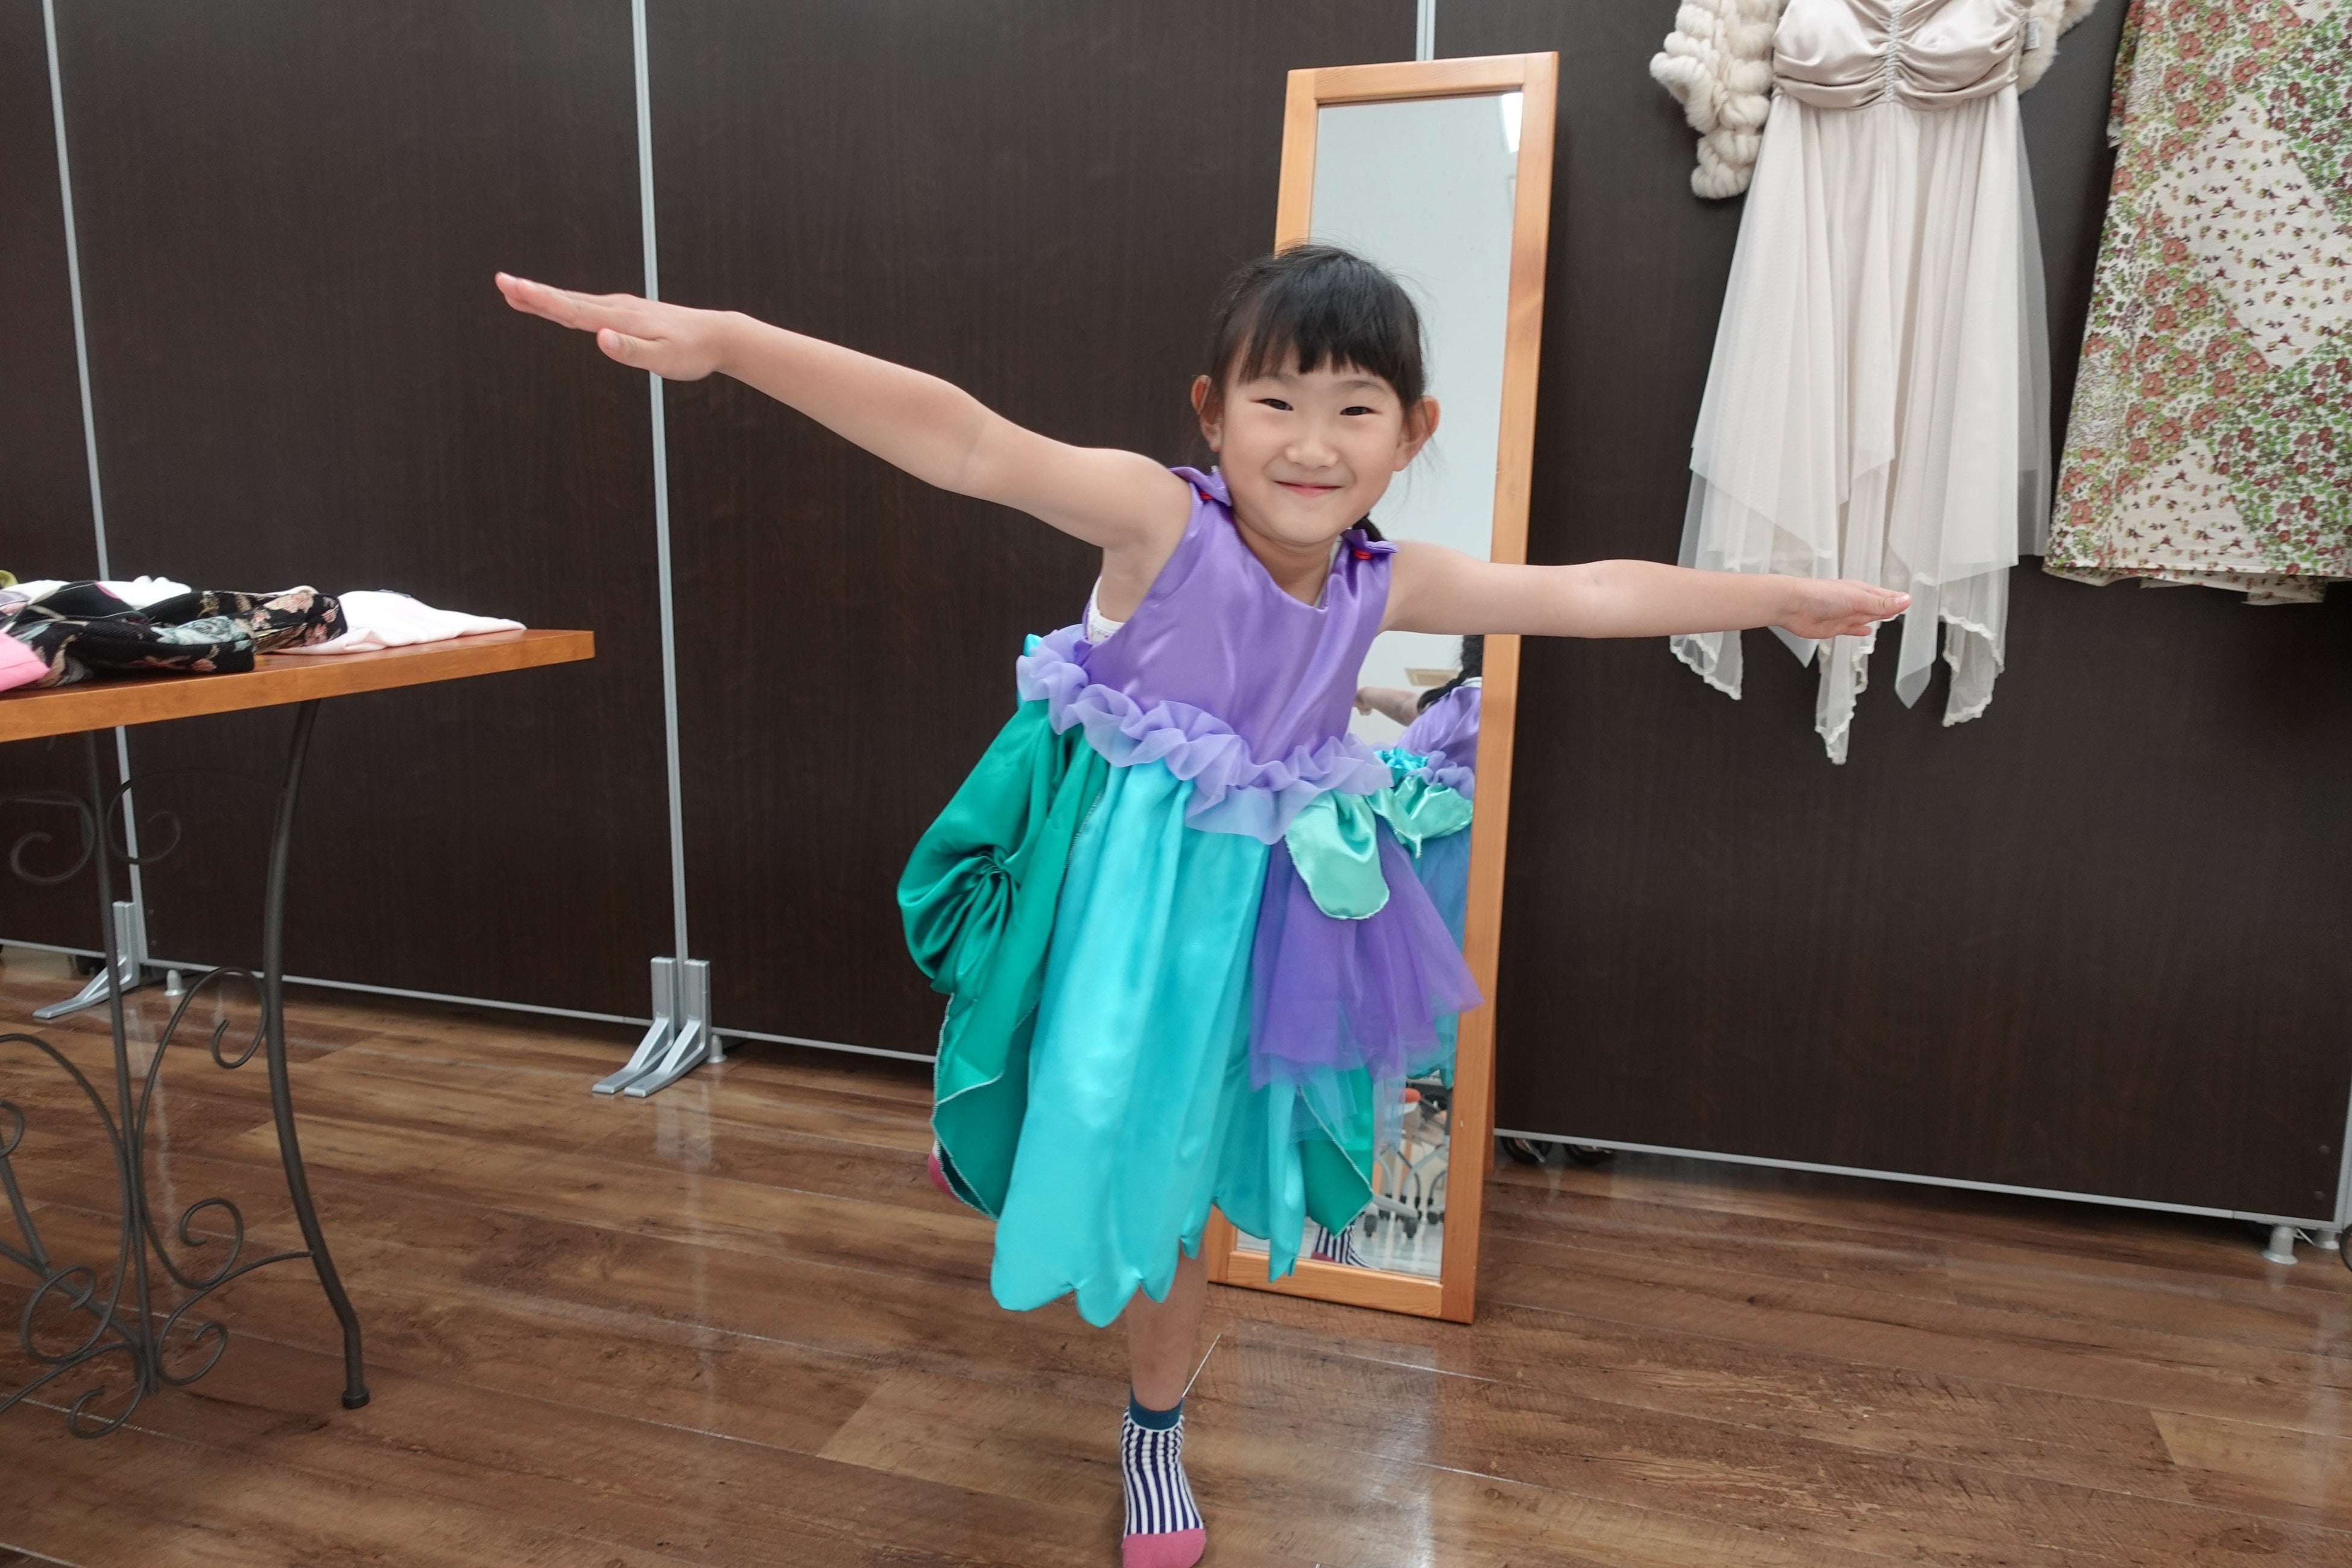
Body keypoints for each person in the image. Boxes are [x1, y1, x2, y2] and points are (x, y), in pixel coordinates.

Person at [499, 245, 1904, 1568]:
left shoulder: (1386, 584)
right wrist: (732, 342)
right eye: (1276, 401)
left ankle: (1154, 1430)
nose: (1312, 442)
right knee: (1033, 1071)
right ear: (1213, 413)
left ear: (1413, 432)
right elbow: (966, 440)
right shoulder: (1159, 521)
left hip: (1248, 935)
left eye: (1355, 408)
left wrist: (1771, 594)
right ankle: (992, 1136)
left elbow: (1585, 592)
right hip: (1091, 902)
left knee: (1176, 1190)